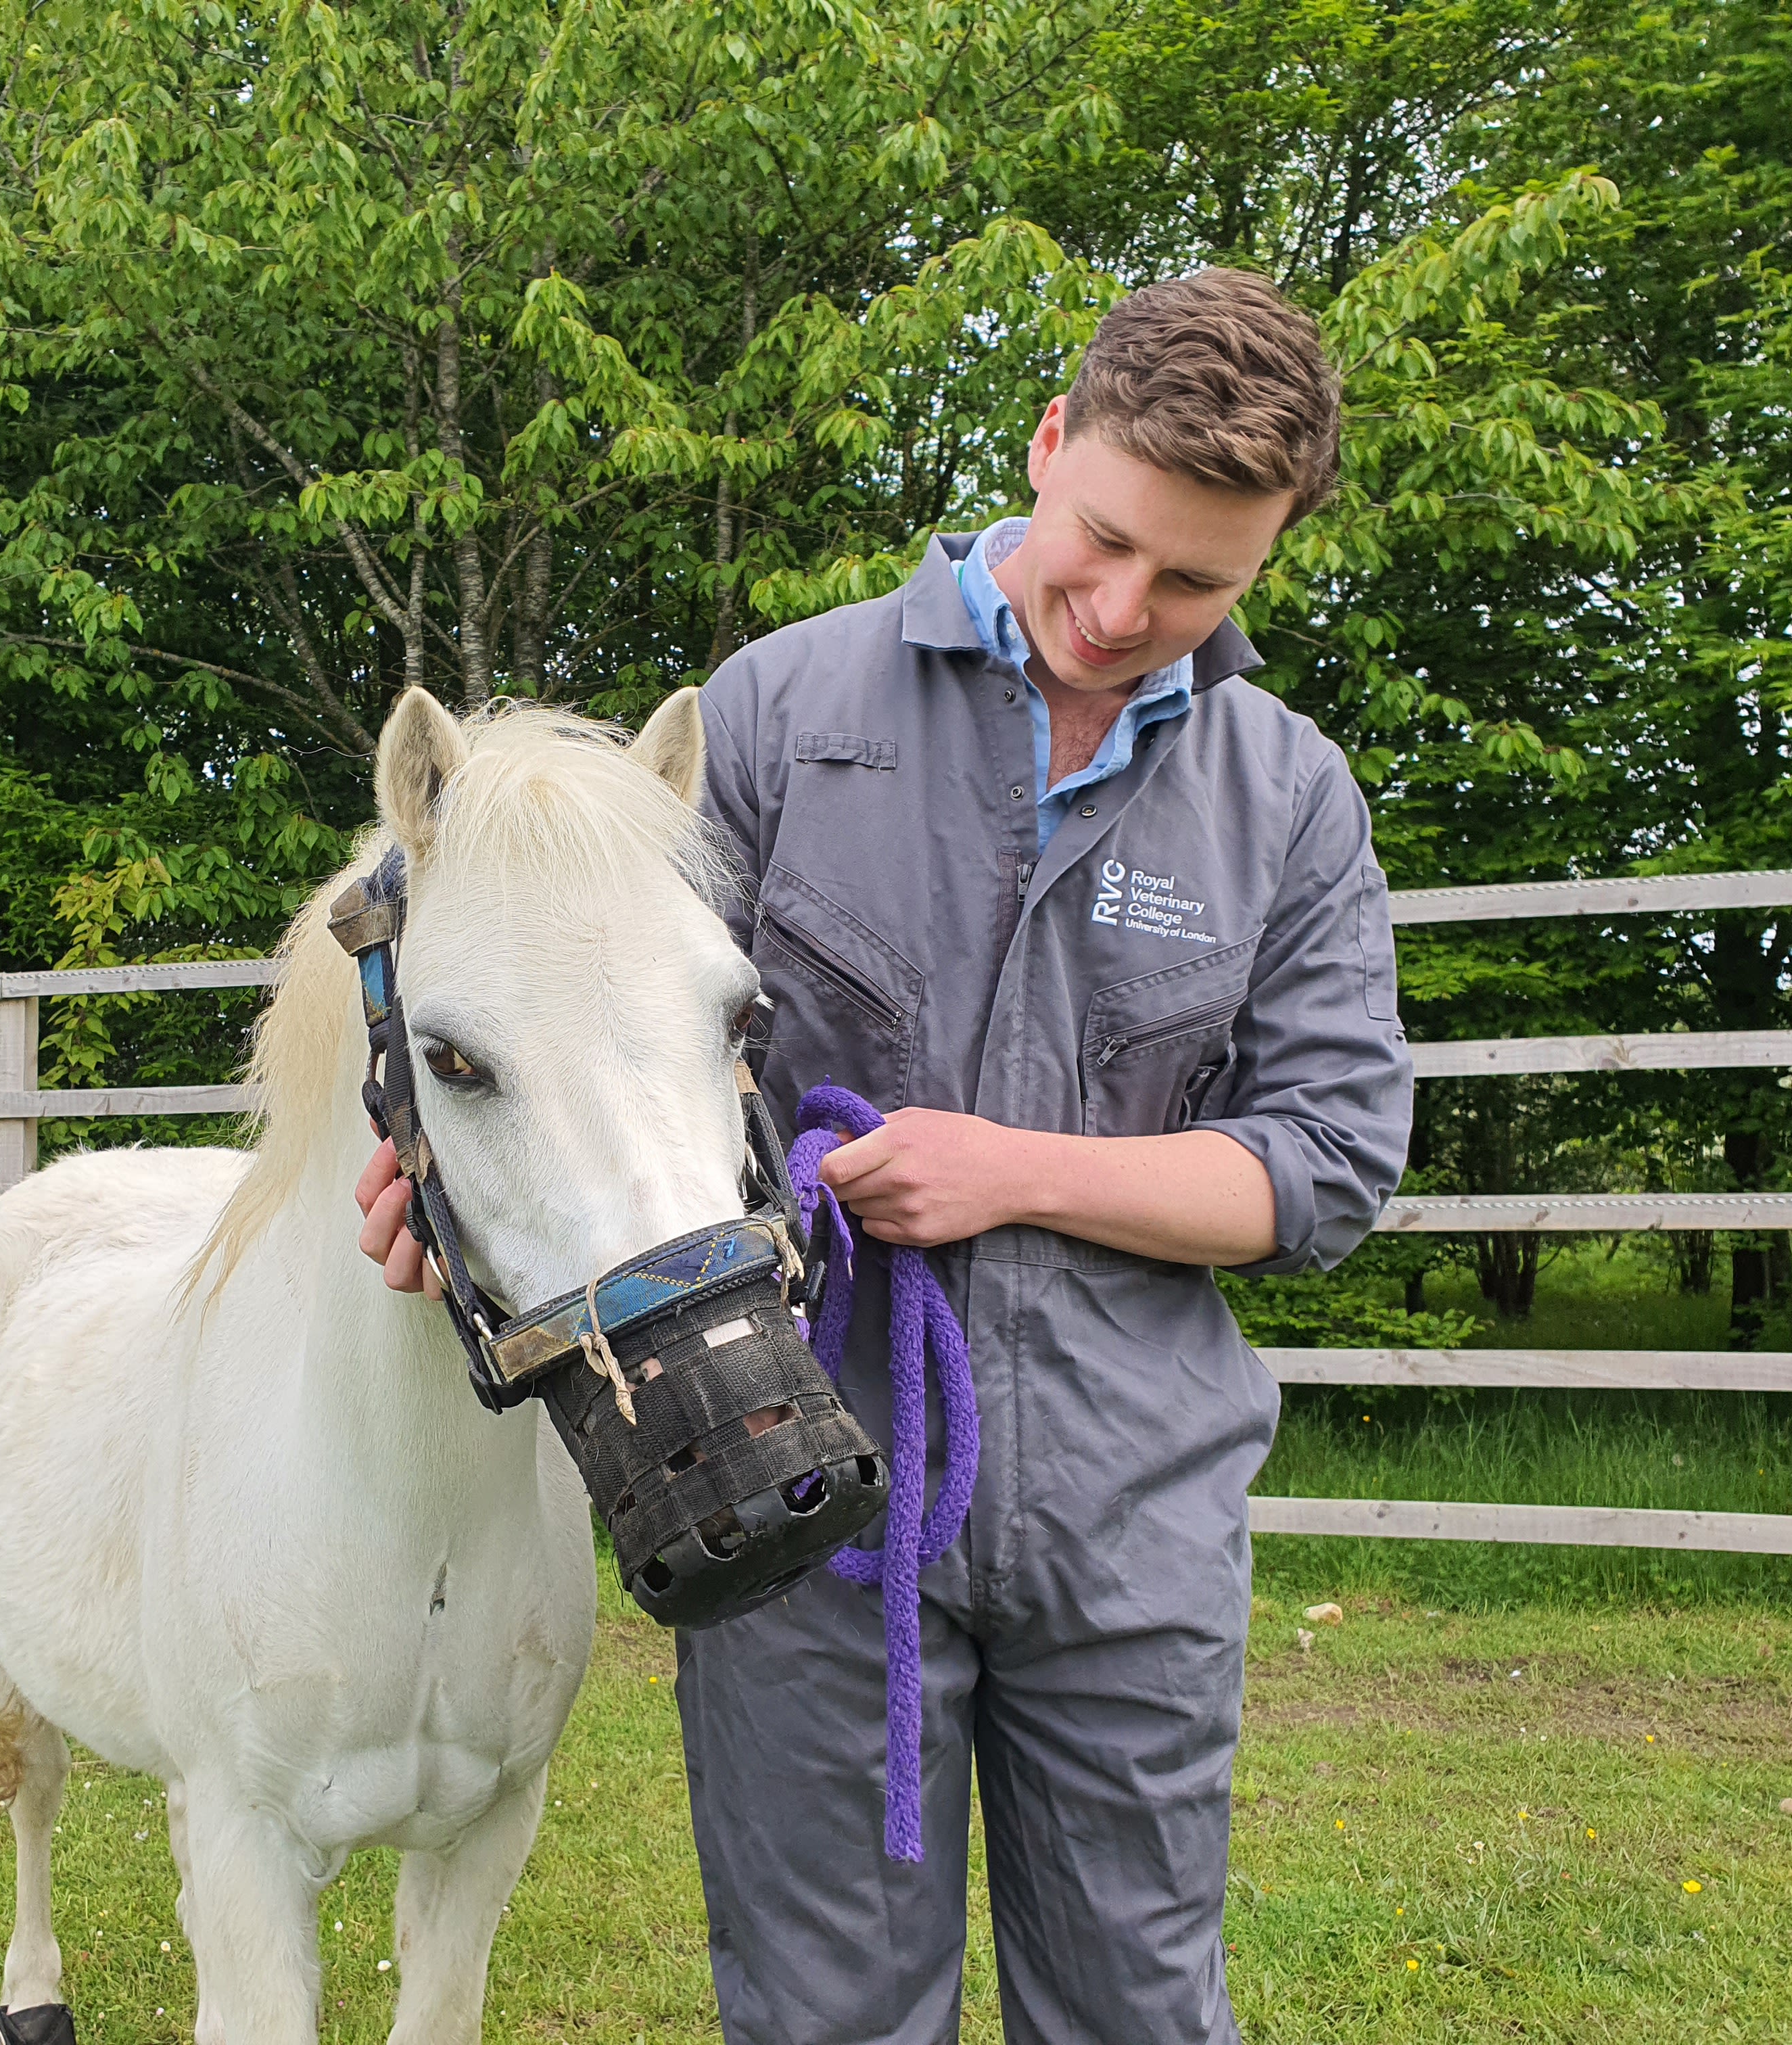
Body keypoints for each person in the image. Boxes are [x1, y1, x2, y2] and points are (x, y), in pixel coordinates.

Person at [358, 267, 1412, 2045]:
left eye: (1195, 582)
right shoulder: (774, 714)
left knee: (1143, 2011)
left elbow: (1321, 1171)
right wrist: (446, 1179)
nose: (1121, 606)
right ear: (1051, 440)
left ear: (1273, 557)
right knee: (827, 2011)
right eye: (1101, 541)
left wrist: (1015, 1171)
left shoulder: (1289, 798)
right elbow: (591, 1046)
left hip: (1133, 1519)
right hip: (791, 1487)